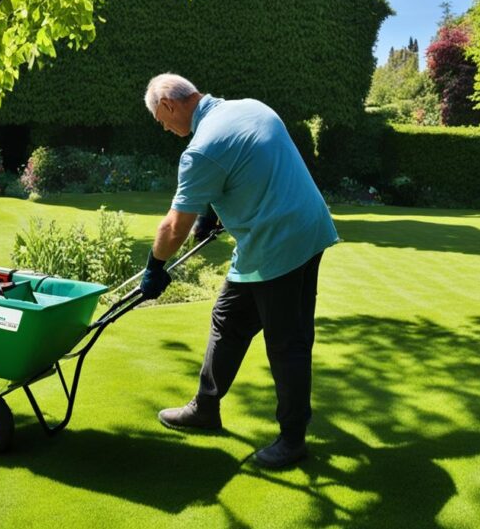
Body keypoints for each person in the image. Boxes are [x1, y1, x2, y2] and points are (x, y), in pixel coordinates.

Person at [140, 73, 338, 469]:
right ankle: (205, 407)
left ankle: (292, 439)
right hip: (306, 228)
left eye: (160, 120)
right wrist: (212, 213)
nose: (163, 127)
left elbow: (173, 226)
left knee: (288, 342)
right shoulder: (251, 108)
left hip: (278, 244)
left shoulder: (200, 150)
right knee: (228, 319)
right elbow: (251, 164)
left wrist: (154, 268)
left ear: (168, 104)